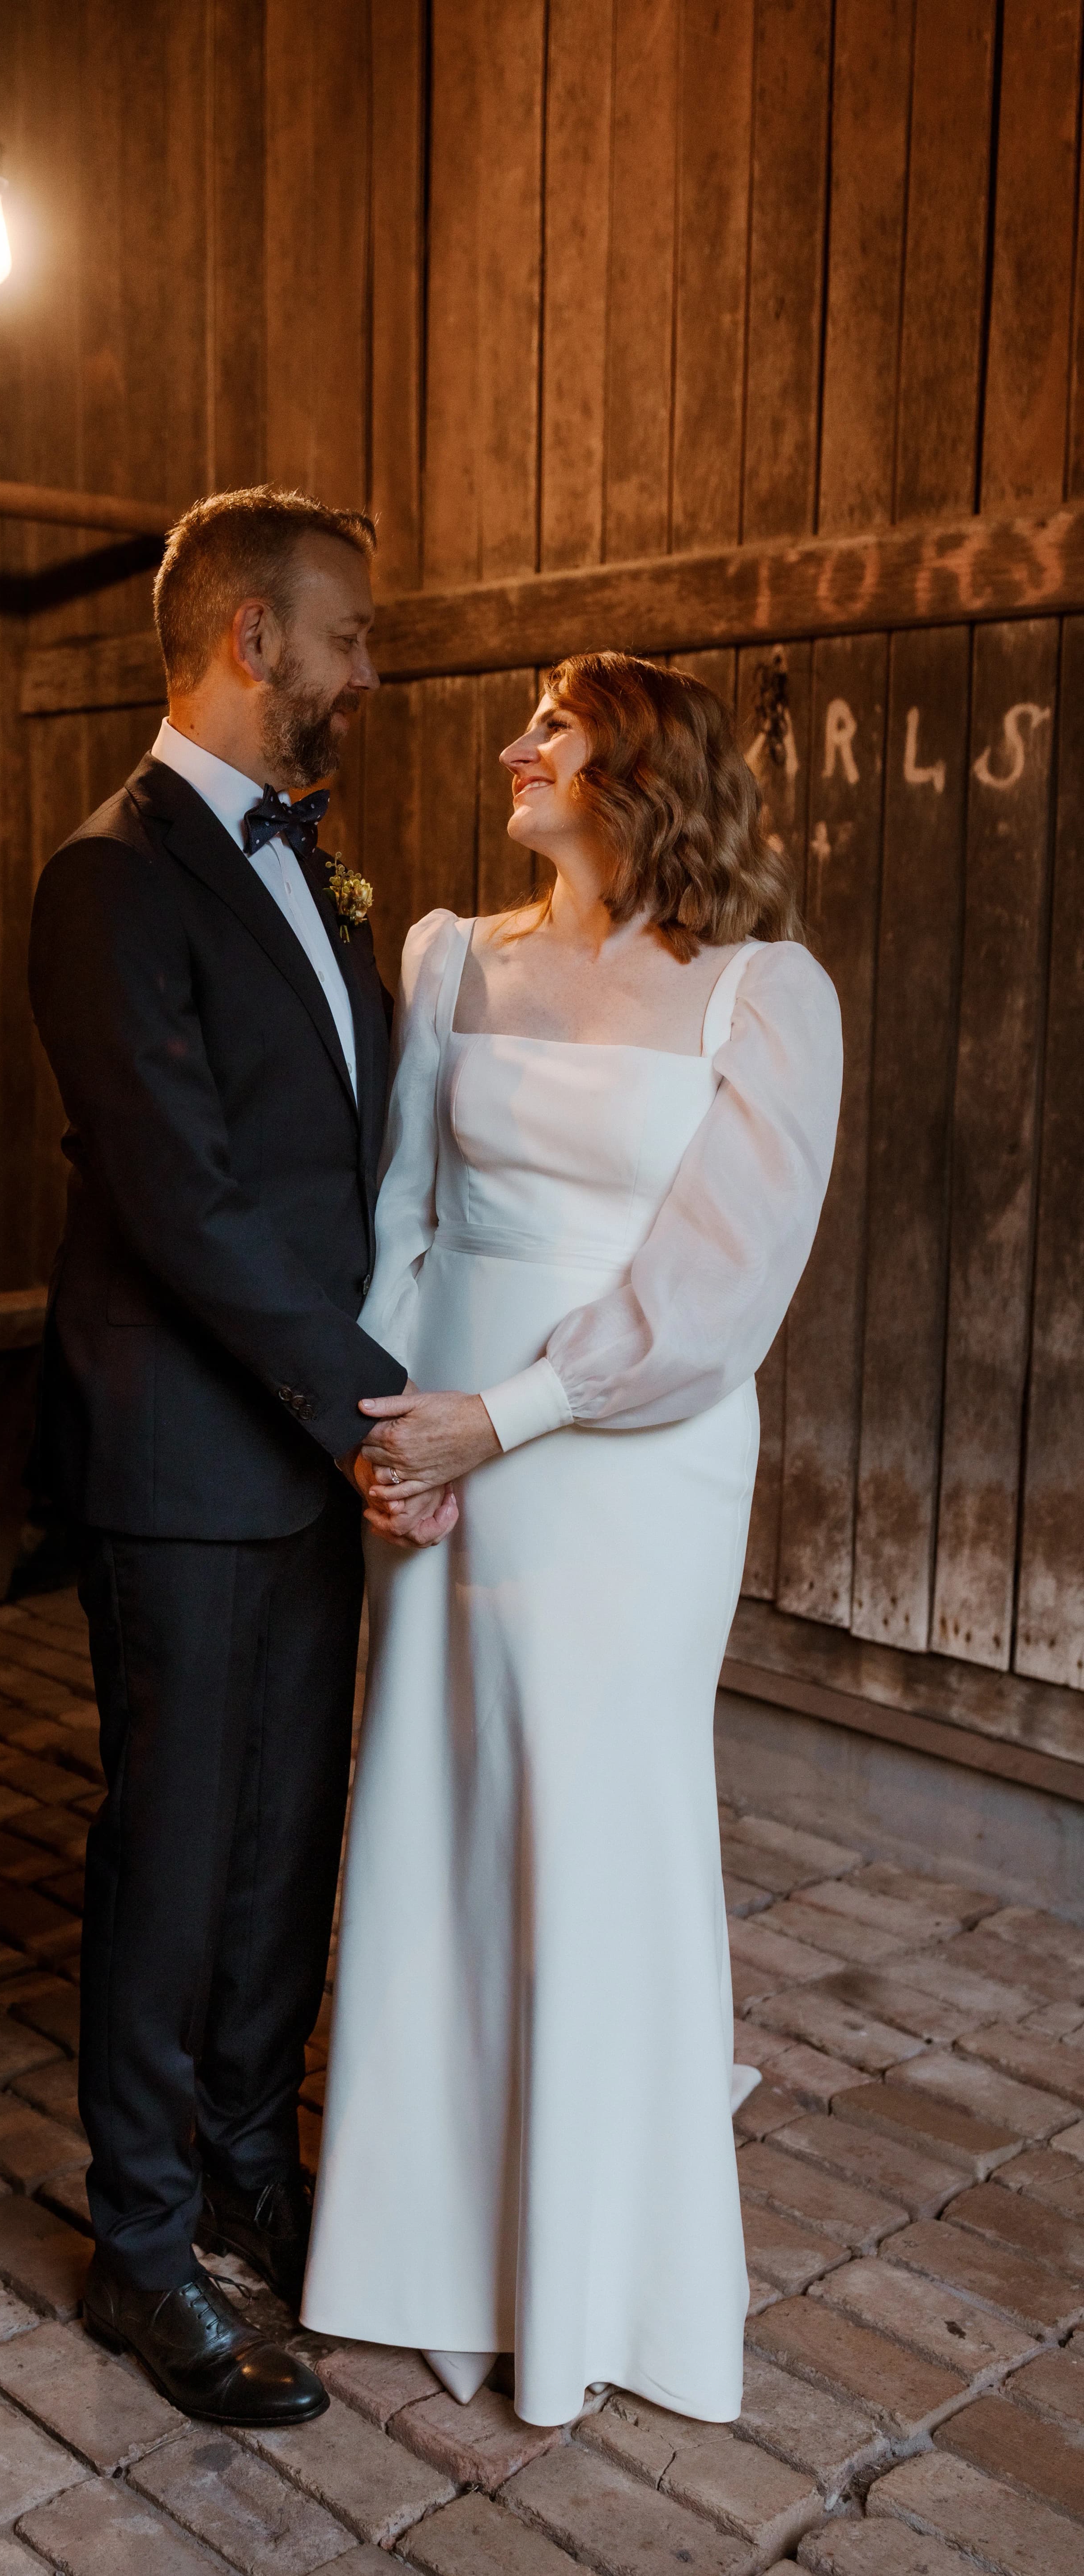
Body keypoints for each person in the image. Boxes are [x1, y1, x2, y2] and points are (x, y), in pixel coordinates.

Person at [301, 652, 842, 2427]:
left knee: (593, 1824)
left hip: (629, 1458)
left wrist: (503, 1416)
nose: (515, 742)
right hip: (439, 1446)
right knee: (432, 1819)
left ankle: (596, 2273)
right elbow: (410, 1203)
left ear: (646, 764)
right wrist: (391, 1428)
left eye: (556, 719)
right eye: (523, 719)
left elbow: (716, 1294)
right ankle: (423, 2258)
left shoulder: (762, 997)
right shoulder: (453, 952)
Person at [27, 486, 407, 2425]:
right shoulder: (108, 879)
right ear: (252, 639)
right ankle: (146, 2245)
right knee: (173, 1853)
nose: (367, 670)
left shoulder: (318, 873)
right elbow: (185, 1202)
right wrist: (374, 1408)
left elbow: (338, 1165)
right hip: (183, 1449)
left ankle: (256, 2169)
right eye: (345, 635)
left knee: (287, 1837)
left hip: (306, 1445)